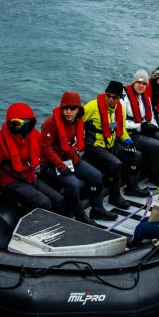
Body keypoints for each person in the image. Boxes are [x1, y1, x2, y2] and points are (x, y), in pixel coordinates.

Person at [40, 91, 118, 224]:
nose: (69, 112)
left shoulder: (77, 121)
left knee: (96, 176)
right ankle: (80, 215)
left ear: (78, 110)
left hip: (71, 159)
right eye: (66, 108)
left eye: (72, 108)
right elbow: (46, 148)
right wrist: (60, 165)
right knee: (73, 184)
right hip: (51, 164)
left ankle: (97, 209)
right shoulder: (49, 123)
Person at [0, 102, 65, 214]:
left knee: (59, 199)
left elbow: (47, 151)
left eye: (25, 122)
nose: (21, 126)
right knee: (44, 203)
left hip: (29, 177)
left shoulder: (35, 135)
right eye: (16, 122)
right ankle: (39, 228)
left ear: (31, 122)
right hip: (10, 182)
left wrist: (62, 164)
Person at [82, 81, 147, 209]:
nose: (110, 99)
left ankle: (132, 187)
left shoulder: (120, 109)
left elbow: (120, 129)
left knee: (136, 155)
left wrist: (128, 142)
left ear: (119, 99)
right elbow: (77, 122)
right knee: (115, 163)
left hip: (111, 144)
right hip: (95, 146)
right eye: (108, 95)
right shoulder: (92, 106)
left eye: (114, 97)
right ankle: (114, 196)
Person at [122, 69, 159, 186]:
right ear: (133, 83)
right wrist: (140, 127)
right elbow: (121, 122)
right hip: (131, 133)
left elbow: (151, 115)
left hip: (144, 128)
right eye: (139, 82)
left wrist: (153, 126)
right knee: (157, 146)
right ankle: (155, 176)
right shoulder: (124, 99)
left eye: (144, 84)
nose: (141, 86)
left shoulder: (146, 98)